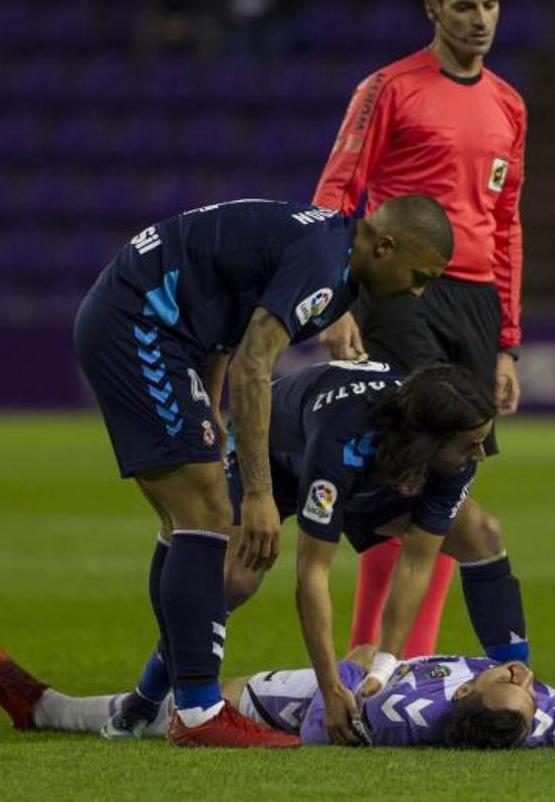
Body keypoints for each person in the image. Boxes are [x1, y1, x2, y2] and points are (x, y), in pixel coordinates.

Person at [72, 195, 451, 747]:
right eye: (419, 276)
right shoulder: (325, 265)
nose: (419, 291)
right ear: (384, 245)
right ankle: (200, 713)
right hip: (141, 321)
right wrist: (258, 491)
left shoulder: (333, 252)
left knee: (185, 522)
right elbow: (256, 360)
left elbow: (227, 326)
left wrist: (212, 415)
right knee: (207, 510)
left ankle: (164, 701)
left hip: (155, 322)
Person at [91, 359, 529, 745]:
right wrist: (331, 687)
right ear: (431, 441)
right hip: (273, 459)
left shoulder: (453, 456)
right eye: (469, 444)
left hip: (378, 471)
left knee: (482, 533)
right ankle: (144, 701)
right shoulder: (340, 442)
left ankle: (524, 679)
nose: (480, 454)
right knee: (234, 581)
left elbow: (416, 559)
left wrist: (383, 667)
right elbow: (312, 573)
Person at [313, 0, 528, 661]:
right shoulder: (388, 88)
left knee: (444, 481)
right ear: (432, 7)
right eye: (463, 5)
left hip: (474, 308)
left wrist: (506, 341)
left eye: (490, 4)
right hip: (402, 295)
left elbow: (505, 225)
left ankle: (391, 661)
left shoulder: (508, 105)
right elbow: (337, 194)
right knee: (410, 474)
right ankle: (380, 658)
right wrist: (333, 301)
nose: (479, 19)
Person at [0, 568, 555, 751]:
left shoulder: (405, 715)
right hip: (337, 687)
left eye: (510, 682)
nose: (525, 676)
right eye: (528, 689)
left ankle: (43, 707)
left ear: (465, 702)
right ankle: (75, 706)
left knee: (184, 691)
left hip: (287, 703)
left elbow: (338, 716)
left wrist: (365, 668)